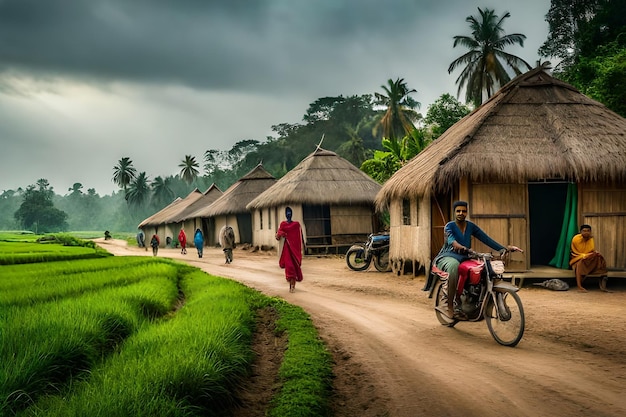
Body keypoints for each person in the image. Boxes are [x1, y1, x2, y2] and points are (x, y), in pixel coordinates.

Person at [434, 201, 515, 319]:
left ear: (467, 212)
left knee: (482, 269)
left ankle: (475, 300)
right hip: (448, 256)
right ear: (454, 212)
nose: (461, 213)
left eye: (464, 211)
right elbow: (452, 241)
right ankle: (450, 305)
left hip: (466, 256)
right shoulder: (449, 226)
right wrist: (462, 247)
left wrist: (502, 249)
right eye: (458, 211)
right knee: (453, 267)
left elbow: (486, 238)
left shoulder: (470, 226)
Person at [570, 224, 609, 292]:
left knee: (599, 257)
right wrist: (585, 255)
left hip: (588, 257)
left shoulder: (591, 239)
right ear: (581, 232)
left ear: (590, 232)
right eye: (584, 231)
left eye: (588, 231)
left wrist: (594, 253)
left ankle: (603, 285)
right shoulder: (576, 239)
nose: (586, 232)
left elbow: (591, 250)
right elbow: (578, 251)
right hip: (577, 257)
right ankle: (579, 286)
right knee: (580, 263)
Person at [275, 206, 304, 293]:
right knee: (290, 268)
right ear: (285, 215)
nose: (288, 215)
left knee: (294, 268)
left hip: (294, 251)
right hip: (286, 250)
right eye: (287, 213)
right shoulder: (283, 225)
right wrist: (280, 234)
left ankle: (292, 286)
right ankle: (291, 286)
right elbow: (277, 236)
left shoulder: (296, 225)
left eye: (290, 213)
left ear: (292, 214)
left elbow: (299, 237)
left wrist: (302, 248)